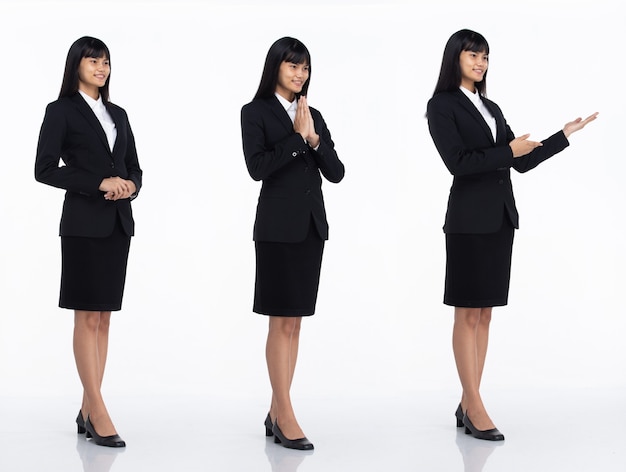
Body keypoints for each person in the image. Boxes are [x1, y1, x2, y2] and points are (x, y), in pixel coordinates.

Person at [426, 29, 597, 441]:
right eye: (473, 56)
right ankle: (474, 403)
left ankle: (470, 399)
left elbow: (519, 161)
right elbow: (459, 163)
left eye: (485, 57)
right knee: (467, 312)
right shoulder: (441, 106)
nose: (481, 63)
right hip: (468, 221)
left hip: (500, 220)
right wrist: (508, 152)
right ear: (455, 59)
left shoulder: (490, 107)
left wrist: (563, 135)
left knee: (484, 313)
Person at [35, 36, 142, 448]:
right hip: (82, 225)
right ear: (75, 65)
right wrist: (97, 182)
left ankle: (86, 406)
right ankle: (98, 410)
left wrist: (130, 184)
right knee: (86, 316)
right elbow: (44, 168)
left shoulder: (119, 113)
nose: (101, 67)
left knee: (104, 317)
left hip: (118, 224)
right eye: (93, 60)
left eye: (106, 61)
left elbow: (134, 166)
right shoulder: (60, 111)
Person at [241, 37, 345, 450]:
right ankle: (285, 412)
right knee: (279, 320)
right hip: (276, 230)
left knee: (295, 322)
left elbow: (336, 172)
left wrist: (314, 138)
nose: (300, 74)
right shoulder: (255, 112)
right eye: (292, 66)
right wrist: (298, 139)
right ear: (275, 68)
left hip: (310, 229)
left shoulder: (312, 114)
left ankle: (276, 409)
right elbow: (257, 167)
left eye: (305, 68)